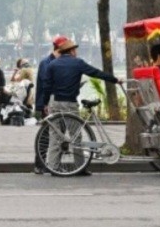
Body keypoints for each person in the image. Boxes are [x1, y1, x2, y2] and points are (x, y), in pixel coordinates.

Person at [41, 39, 121, 175]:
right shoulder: (77, 63)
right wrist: (114, 79)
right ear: (71, 51)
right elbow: (95, 73)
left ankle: (53, 167)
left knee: (55, 135)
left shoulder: (52, 64)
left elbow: (46, 86)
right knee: (75, 136)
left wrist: (44, 104)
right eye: (75, 50)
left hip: (54, 102)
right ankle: (79, 168)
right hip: (69, 103)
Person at [34, 36, 69, 120]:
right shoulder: (46, 63)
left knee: (60, 130)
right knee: (49, 130)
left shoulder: (61, 62)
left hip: (60, 101)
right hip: (48, 102)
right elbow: (46, 82)